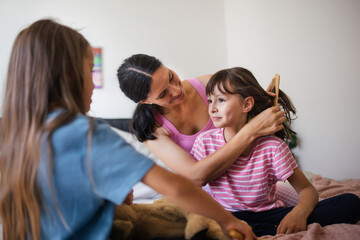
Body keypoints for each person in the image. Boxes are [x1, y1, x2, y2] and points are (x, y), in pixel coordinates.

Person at [0, 19, 258, 240]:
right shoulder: (85, 132)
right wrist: (229, 221)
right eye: (90, 70)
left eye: (170, 77)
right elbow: (179, 187)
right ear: (69, 76)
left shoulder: (14, 139)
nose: (176, 91)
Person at [190, 67, 360, 236]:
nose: (211, 108)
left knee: (350, 203)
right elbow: (193, 189)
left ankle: (261, 230)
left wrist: (298, 213)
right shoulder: (204, 142)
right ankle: (260, 230)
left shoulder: (272, 146)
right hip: (226, 217)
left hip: (269, 215)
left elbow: (307, 190)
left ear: (247, 104)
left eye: (220, 100)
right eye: (210, 100)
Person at [117, 54, 286, 187]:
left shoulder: (209, 85)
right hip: (212, 193)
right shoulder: (150, 129)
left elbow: (248, 110)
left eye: (170, 77)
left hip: (251, 181)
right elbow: (196, 177)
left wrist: (263, 107)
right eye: (163, 94)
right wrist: (250, 131)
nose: (176, 91)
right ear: (146, 101)